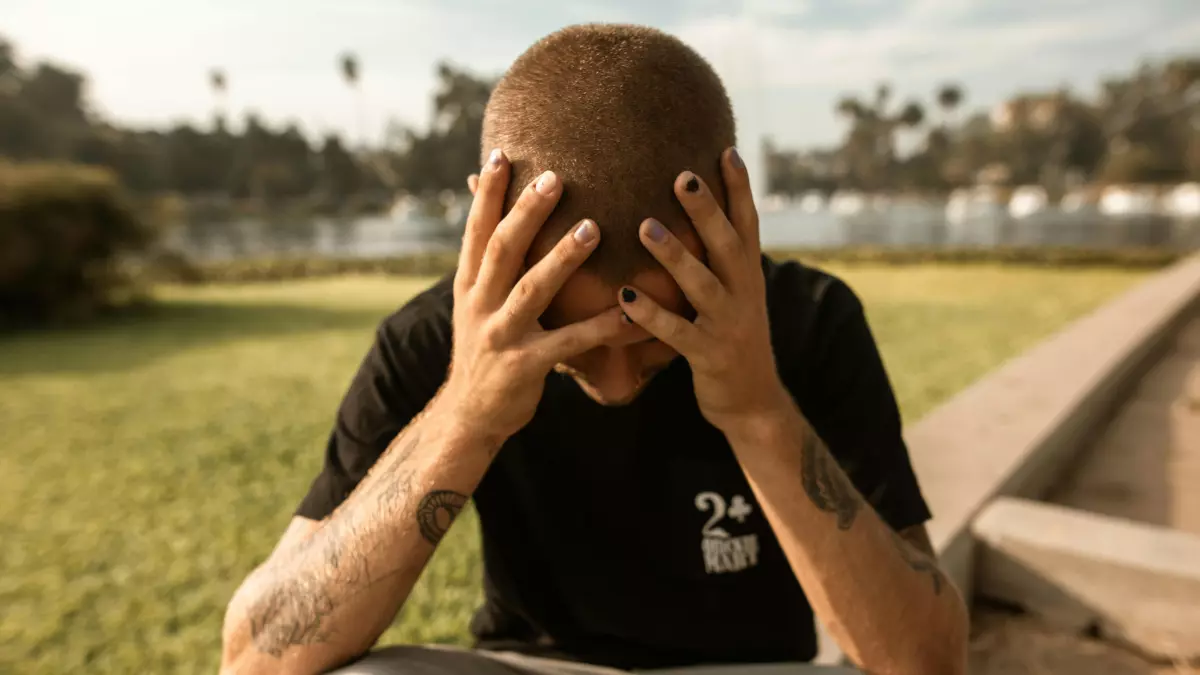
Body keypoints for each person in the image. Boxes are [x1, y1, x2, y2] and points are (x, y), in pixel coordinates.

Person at [219, 23, 969, 675]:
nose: (614, 380)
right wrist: (469, 410)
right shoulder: (437, 338)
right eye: (566, 338)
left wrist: (755, 405)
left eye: (655, 338)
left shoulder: (810, 321)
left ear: (733, 234)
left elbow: (926, 659)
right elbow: (255, 658)